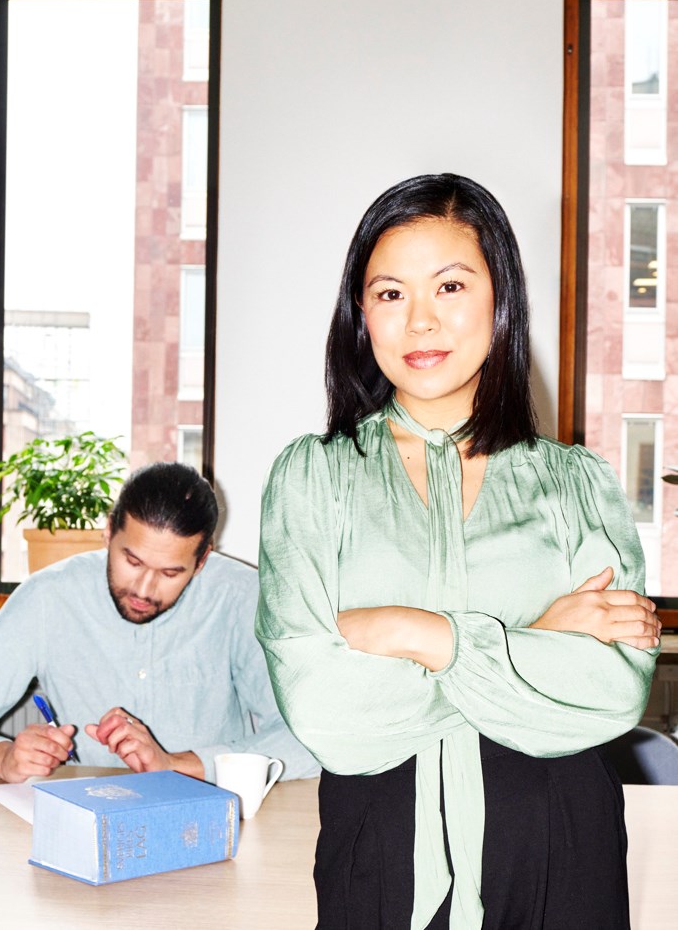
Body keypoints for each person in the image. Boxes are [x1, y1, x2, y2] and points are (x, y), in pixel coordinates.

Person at [255, 174, 661, 929]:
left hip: (562, 852)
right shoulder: (314, 477)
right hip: (379, 853)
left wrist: (415, 632)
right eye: (389, 294)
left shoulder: (574, 483)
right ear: (360, 315)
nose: (420, 323)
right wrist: (536, 638)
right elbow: (323, 710)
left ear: (499, 299)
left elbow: (610, 693)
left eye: (449, 286)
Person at [0, 462, 318, 784]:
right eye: (133, 561)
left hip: (209, 809)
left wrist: (177, 764)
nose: (143, 589)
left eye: (170, 573)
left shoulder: (241, 598)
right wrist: (1, 757)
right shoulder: (49, 597)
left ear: (202, 561)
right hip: (86, 807)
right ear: (108, 532)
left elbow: (309, 737)